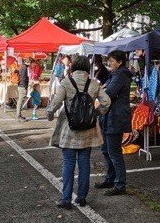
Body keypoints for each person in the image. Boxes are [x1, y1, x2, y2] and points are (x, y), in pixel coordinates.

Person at [47, 55, 111, 209]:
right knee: (84, 164)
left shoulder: (66, 83)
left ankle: (66, 199)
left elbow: (55, 102)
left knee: (68, 163)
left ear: (73, 67)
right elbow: (107, 101)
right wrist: (97, 113)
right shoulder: (94, 84)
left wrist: (49, 114)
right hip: (88, 130)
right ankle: (82, 197)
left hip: (69, 129)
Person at [95, 50, 133, 196]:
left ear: (120, 62)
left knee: (114, 152)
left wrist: (97, 92)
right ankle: (110, 178)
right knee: (106, 150)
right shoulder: (114, 75)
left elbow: (107, 94)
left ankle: (120, 184)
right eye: (109, 60)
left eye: (111, 61)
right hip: (109, 117)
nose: (109, 63)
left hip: (115, 118)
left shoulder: (120, 76)